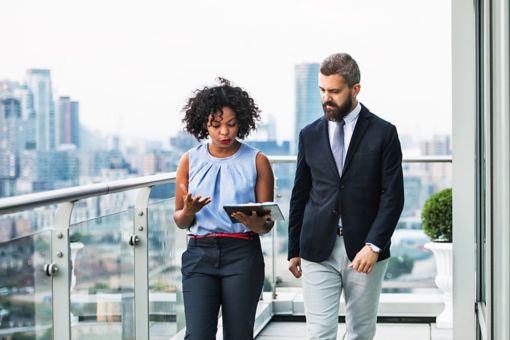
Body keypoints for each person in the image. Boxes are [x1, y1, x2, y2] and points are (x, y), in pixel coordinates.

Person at [287, 53, 405, 340]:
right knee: (319, 333)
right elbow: (300, 194)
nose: (327, 98)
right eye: (322, 90)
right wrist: (293, 248)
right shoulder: (309, 134)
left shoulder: (384, 133)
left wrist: (374, 245)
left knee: (361, 333)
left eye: (335, 91)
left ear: (355, 89)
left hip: (365, 250)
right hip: (317, 247)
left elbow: (393, 196)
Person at [173, 77, 275, 340]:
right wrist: (189, 211)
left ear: (241, 121)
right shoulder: (189, 160)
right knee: (196, 336)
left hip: (242, 254)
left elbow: (266, 223)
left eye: (231, 124)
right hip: (199, 255)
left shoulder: (258, 161)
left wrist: (256, 225)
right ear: (203, 124)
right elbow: (180, 221)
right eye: (216, 125)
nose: (224, 132)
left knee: (239, 335)